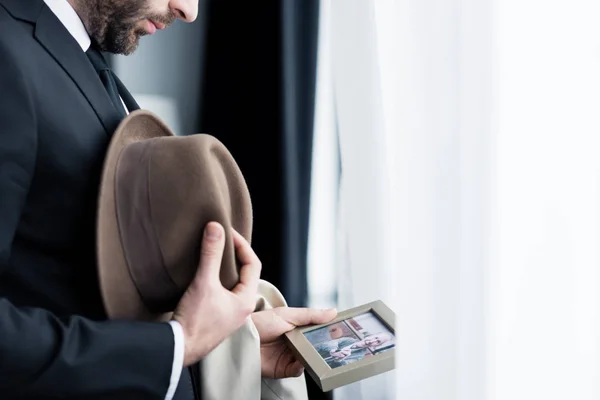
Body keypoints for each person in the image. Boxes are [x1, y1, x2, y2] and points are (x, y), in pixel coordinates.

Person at [0, 0, 336, 399]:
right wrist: (178, 344)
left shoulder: (74, 51)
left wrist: (223, 347)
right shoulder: (7, 52)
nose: (187, 10)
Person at [315, 333, 392, 369]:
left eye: (378, 342)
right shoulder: (349, 340)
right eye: (375, 337)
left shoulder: (359, 356)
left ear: (375, 346)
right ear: (371, 335)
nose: (372, 341)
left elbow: (344, 365)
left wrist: (339, 359)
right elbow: (328, 344)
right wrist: (333, 351)